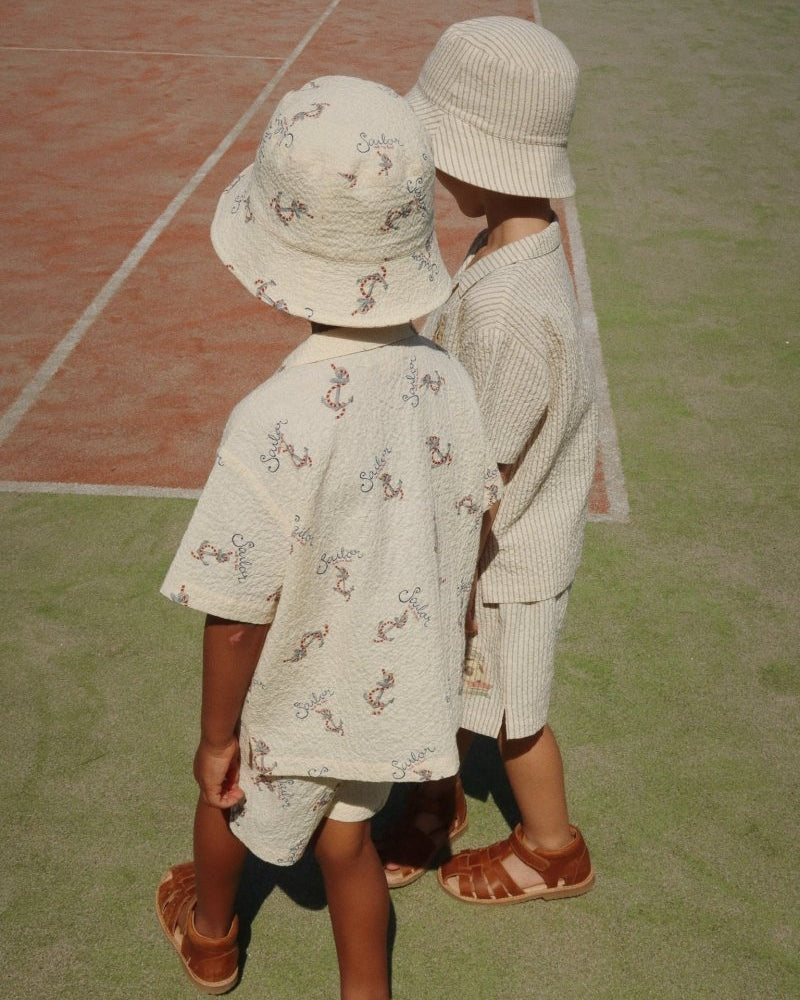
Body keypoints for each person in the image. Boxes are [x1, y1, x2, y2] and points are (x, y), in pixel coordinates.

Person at [154, 74, 500, 998]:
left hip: (294, 697)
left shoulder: (275, 416)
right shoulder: (449, 383)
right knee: (346, 841)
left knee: (223, 802)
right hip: (393, 692)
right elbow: (472, 526)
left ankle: (212, 935)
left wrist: (218, 736)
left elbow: (234, 615)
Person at [379, 17, 598, 904]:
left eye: (443, 151)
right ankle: (438, 798)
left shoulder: (512, 303)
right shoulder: (517, 242)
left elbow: (489, 461)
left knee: (514, 710)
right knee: (458, 676)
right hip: (499, 533)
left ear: (485, 157)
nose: (435, 169)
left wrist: (448, 559)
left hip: (508, 550)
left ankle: (553, 847)